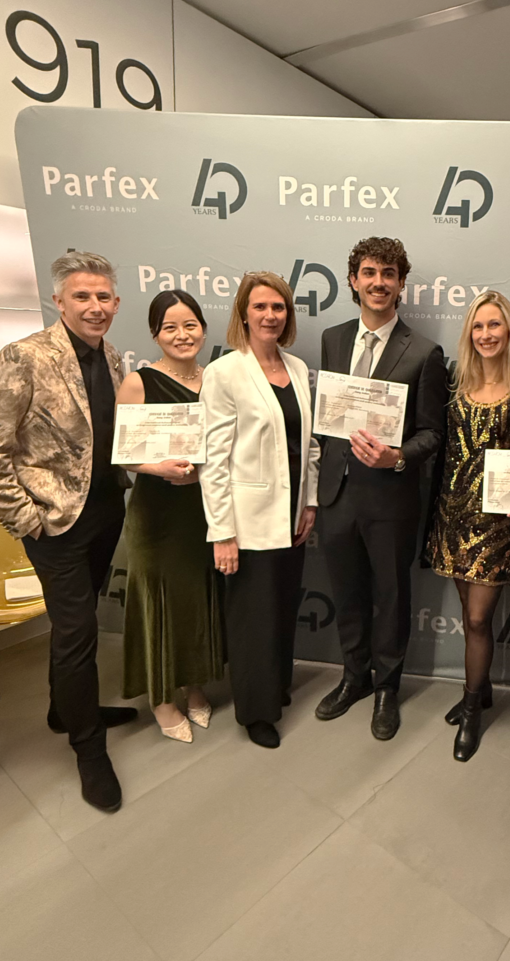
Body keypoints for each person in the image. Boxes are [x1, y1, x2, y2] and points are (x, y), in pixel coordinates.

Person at [0, 251, 136, 812]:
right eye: (82, 296)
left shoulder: (114, 357)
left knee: (73, 626)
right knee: (78, 632)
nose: (94, 306)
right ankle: (89, 749)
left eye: (103, 297)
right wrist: (25, 519)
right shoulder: (23, 357)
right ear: (58, 301)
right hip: (53, 525)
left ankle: (64, 710)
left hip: (105, 512)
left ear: (116, 303)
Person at [315, 237, 446, 740]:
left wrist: (398, 457)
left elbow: (432, 432)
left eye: (388, 274)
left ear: (400, 284)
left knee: (391, 598)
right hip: (337, 493)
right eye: (369, 272)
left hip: (390, 498)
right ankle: (355, 678)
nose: (378, 282)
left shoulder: (425, 352)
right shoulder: (332, 339)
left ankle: (388, 688)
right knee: (347, 595)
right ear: (353, 280)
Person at [425, 291, 510, 761]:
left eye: (495, 324)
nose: (486, 334)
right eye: (478, 326)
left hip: (497, 524)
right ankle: (483, 688)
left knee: (478, 619)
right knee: (466, 611)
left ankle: (472, 707)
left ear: (509, 330)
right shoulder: (454, 383)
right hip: (451, 516)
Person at [199, 272, 319, 749]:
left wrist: (310, 501)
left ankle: (276, 688)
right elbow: (213, 459)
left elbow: (309, 445)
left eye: (279, 307)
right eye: (261, 307)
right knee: (253, 620)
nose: (270, 315)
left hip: (291, 516)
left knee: (282, 609)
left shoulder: (298, 367)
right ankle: (256, 711)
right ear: (243, 314)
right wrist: (222, 532)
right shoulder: (225, 372)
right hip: (246, 521)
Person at [117, 291, 224, 742]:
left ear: (203, 328)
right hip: (157, 515)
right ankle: (161, 698)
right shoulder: (138, 382)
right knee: (158, 601)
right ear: (155, 334)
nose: (182, 335)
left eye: (190, 325)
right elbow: (123, 454)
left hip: (202, 509)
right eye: (170, 327)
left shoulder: (217, 378)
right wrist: (156, 468)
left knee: (194, 596)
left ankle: (194, 684)